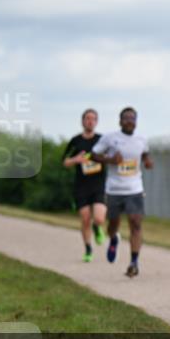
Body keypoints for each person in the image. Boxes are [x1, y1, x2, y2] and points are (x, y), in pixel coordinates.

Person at [90, 107, 153, 278]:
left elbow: (145, 153)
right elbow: (93, 155)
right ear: (120, 121)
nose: (129, 121)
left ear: (136, 121)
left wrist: (147, 161)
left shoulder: (142, 139)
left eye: (133, 118)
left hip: (135, 188)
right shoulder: (110, 138)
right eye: (126, 118)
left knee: (136, 222)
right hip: (114, 189)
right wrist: (110, 159)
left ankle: (134, 262)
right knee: (113, 224)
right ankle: (114, 239)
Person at [62, 108, 107, 262]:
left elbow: (111, 157)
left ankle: (97, 228)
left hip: (99, 184)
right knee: (85, 218)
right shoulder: (76, 141)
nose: (90, 121)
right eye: (87, 118)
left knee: (99, 218)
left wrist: (101, 158)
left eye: (93, 118)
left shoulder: (102, 140)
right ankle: (88, 249)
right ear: (82, 121)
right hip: (81, 186)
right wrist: (76, 160)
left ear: (97, 122)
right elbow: (65, 161)